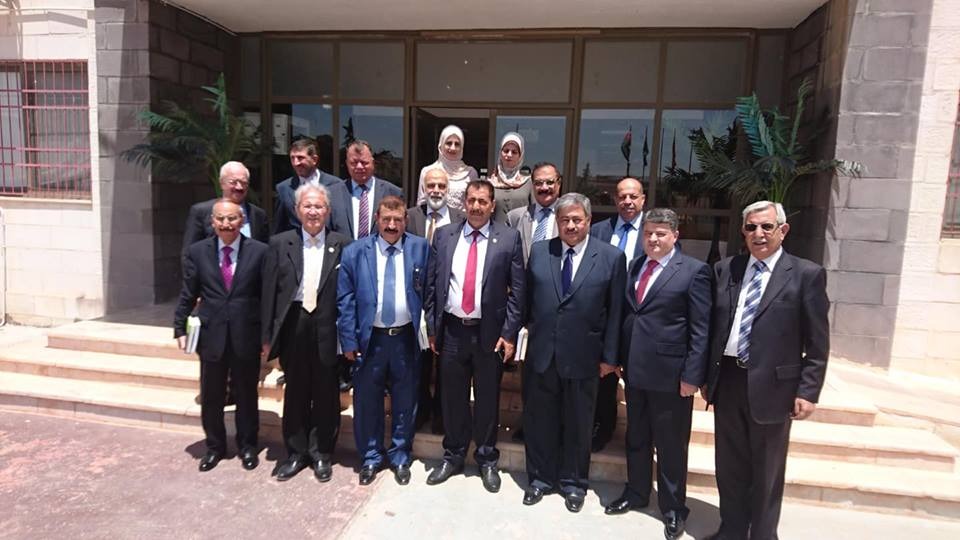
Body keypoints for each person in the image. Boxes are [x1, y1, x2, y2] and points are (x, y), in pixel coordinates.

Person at [703, 201, 830, 540]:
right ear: (743, 232)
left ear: (782, 230)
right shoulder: (726, 269)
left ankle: (762, 534)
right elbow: (715, 327)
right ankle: (731, 530)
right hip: (729, 380)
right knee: (729, 465)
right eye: (751, 227)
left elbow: (818, 341)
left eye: (766, 226)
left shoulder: (806, 274)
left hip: (775, 387)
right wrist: (707, 377)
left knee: (767, 471)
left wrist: (808, 390)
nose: (758, 233)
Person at [605, 208, 711, 540]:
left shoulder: (694, 271)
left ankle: (673, 507)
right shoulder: (636, 265)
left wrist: (692, 376)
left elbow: (700, 329)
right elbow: (629, 315)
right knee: (636, 437)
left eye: (660, 233)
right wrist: (618, 357)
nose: (653, 239)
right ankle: (637, 492)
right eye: (648, 232)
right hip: (635, 371)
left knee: (670, 445)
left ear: (675, 236)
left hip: (671, 376)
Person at [522, 193, 626, 513]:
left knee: (579, 424)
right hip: (543, 354)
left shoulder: (611, 257)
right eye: (564, 219)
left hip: (585, 357)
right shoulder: (541, 251)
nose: (570, 225)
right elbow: (528, 302)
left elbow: (616, 312)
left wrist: (610, 357)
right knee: (541, 421)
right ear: (557, 221)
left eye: (577, 219)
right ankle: (540, 479)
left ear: (589, 221)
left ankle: (574, 483)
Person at [424, 179, 525, 493]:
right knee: (452, 398)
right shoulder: (444, 235)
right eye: (472, 200)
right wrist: (432, 327)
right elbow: (431, 285)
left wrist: (508, 333)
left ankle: (486, 458)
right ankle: (453, 455)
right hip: (452, 331)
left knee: (487, 400)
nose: (477, 207)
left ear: (492, 205)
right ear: (464, 203)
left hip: (489, 334)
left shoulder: (508, 238)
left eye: (483, 201)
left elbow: (518, 292)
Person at [261, 184, 350, 483]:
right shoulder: (280, 243)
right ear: (297, 210)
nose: (313, 211)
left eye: (319, 206)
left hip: (328, 325)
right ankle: (296, 453)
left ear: (328, 211)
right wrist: (266, 336)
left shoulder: (343, 244)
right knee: (296, 391)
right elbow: (269, 292)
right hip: (294, 323)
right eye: (307, 206)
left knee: (326, 392)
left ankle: (322, 453)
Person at [337, 196, 429, 486]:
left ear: (405, 221)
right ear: (377, 219)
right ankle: (371, 457)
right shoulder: (355, 251)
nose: (391, 225)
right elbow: (345, 299)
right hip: (370, 341)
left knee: (406, 400)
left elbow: (429, 291)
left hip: (405, 339)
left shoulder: (420, 248)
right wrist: (348, 340)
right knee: (367, 401)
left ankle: (400, 456)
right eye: (386, 219)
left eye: (397, 220)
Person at [174, 198, 268, 472]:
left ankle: (248, 446)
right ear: (212, 222)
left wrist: (267, 335)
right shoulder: (198, 252)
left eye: (232, 218)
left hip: (246, 334)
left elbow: (266, 296)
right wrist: (179, 326)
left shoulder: (260, 251)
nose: (226, 224)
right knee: (212, 395)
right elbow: (188, 292)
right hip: (211, 335)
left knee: (247, 394)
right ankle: (214, 447)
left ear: (242, 221)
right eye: (221, 219)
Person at [587, 177, 646, 452]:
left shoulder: (654, 232)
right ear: (615, 200)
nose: (627, 201)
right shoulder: (599, 231)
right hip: (604, 317)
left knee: (636, 379)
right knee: (604, 375)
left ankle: (640, 436)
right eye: (622, 196)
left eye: (633, 196)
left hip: (638, 319)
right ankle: (603, 427)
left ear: (643, 199)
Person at [406, 167, 466, 434]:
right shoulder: (410, 216)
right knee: (418, 362)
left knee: (446, 365)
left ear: (448, 189)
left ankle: (442, 416)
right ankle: (421, 412)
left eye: (441, 186)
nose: (436, 190)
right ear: (423, 187)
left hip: (447, 302)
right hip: (415, 300)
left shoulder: (460, 218)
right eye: (431, 185)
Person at [181, 161, 269, 263]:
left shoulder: (258, 215)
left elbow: (266, 254)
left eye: (244, 183)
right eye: (233, 182)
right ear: (222, 183)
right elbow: (188, 254)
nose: (239, 187)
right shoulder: (201, 211)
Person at [273, 138, 351, 235]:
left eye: (300, 158)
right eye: (292, 158)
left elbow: (341, 222)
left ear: (314, 159)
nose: (296, 163)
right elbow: (278, 227)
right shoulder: (283, 188)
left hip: (328, 242)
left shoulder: (336, 185)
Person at [343, 140, 404, 240]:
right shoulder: (333, 193)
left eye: (364, 162)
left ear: (373, 162)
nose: (359, 166)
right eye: (354, 162)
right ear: (347, 163)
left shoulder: (393, 192)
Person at [506, 161, 561, 264]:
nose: (544, 188)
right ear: (532, 185)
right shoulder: (515, 217)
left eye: (550, 182)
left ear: (558, 184)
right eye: (538, 183)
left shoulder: (569, 218)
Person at [417, 125, 478, 211]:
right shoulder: (427, 171)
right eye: (448, 143)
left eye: (457, 144)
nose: (453, 148)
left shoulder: (470, 173)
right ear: (441, 145)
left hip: (461, 219)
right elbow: (421, 203)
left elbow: (473, 202)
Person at [490, 132, 532, 223]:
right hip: (496, 231)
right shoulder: (491, 183)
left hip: (521, 231)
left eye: (514, 152)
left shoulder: (528, 183)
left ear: (520, 156)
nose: (509, 155)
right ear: (500, 153)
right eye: (506, 151)